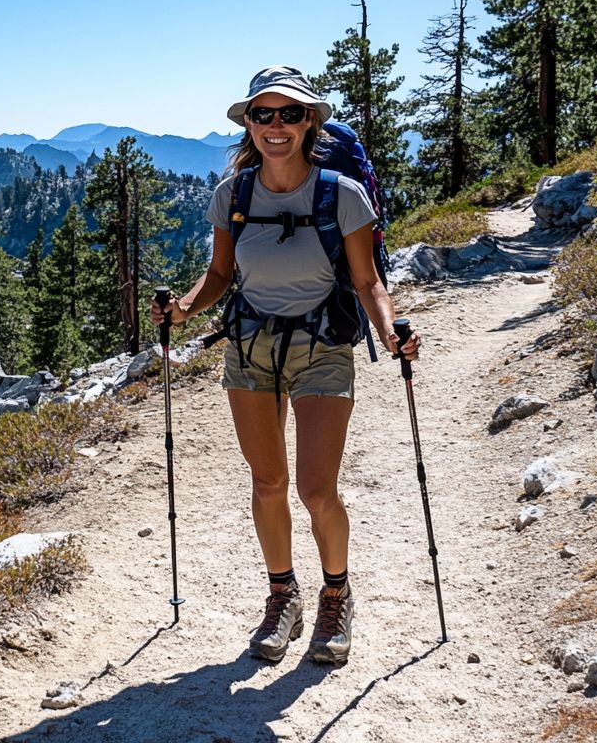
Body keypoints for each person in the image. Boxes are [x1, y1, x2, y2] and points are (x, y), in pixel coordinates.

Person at [150, 65, 421, 666]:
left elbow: (367, 279)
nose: (276, 125)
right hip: (248, 348)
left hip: (323, 348)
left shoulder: (343, 194)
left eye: (289, 113)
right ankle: (283, 595)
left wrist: (389, 329)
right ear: (248, 123)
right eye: (263, 114)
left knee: (316, 488)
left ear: (309, 121)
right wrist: (185, 308)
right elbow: (220, 275)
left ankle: (335, 594)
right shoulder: (234, 194)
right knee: (268, 483)